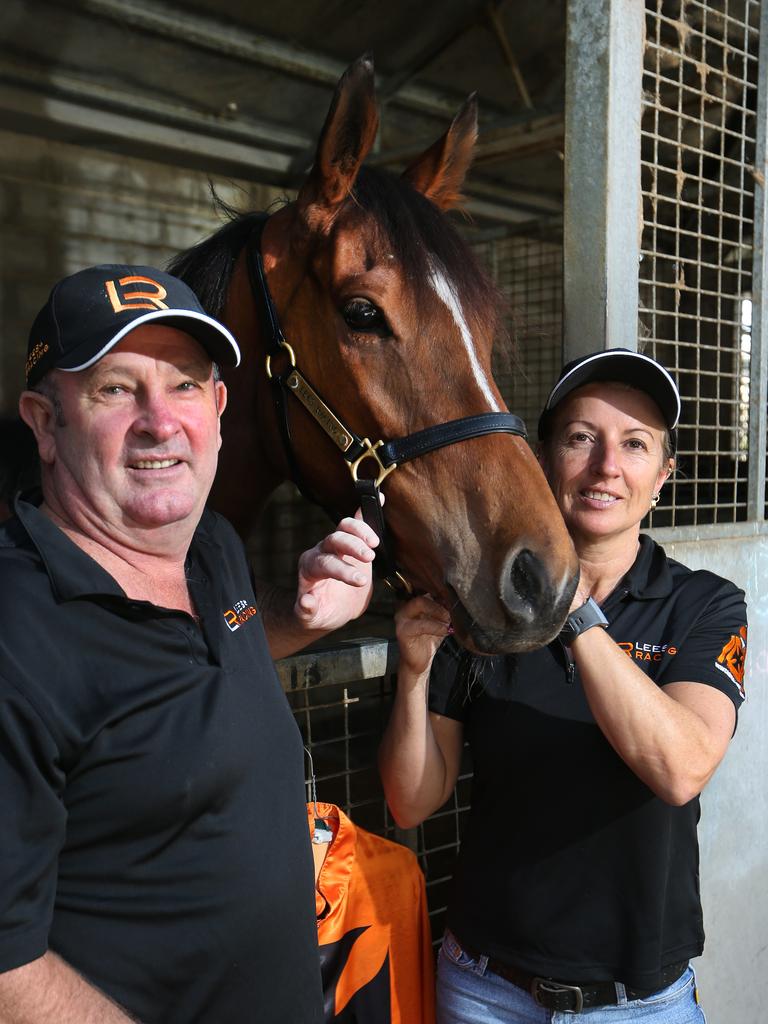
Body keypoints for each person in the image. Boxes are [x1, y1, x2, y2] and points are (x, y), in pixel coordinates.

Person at [0, 264, 380, 1024]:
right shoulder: (17, 635)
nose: (159, 420)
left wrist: (304, 617)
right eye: (116, 388)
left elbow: (205, 649)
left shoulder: (209, 547)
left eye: (182, 385)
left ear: (218, 406)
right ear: (45, 422)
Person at [379, 348, 748, 1023]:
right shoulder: (485, 608)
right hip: (483, 987)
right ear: (544, 459)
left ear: (662, 476)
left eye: (635, 445)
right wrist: (411, 674)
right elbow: (410, 803)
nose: (607, 465)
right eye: (582, 438)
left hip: (636, 1005)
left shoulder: (704, 607)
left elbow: (681, 767)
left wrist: (573, 609)